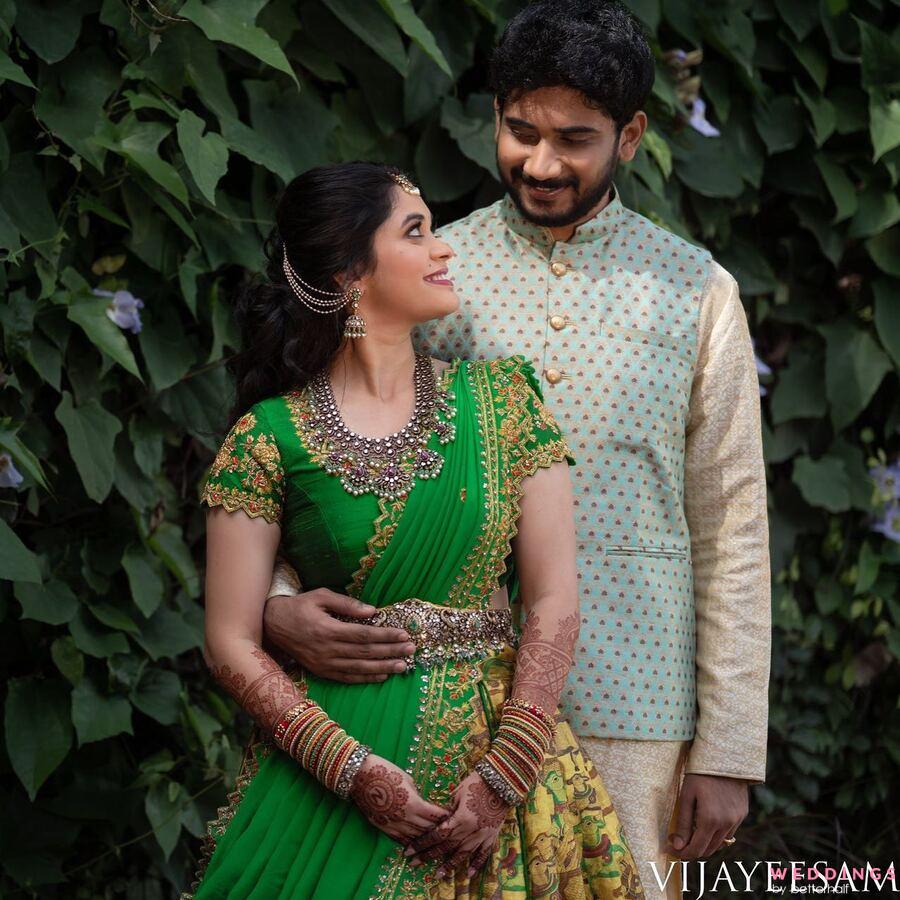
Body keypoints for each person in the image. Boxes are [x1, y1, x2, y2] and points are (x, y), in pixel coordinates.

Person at [263, 2, 771, 897]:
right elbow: (321, 447)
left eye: (574, 138)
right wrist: (279, 599)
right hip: (448, 694)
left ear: (633, 135)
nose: (540, 162)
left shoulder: (697, 292)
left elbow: (732, 527)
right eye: (519, 130)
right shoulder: (429, 272)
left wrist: (728, 746)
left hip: (636, 702)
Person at [184, 161, 644, 899]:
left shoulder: (505, 404)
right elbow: (230, 641)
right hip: (332, 777)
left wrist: (506, 774)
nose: (443, 249)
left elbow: (554, 600)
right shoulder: (268, 440)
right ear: (348, 273)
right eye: (416, 232)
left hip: (500, 768)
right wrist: (355, 772)